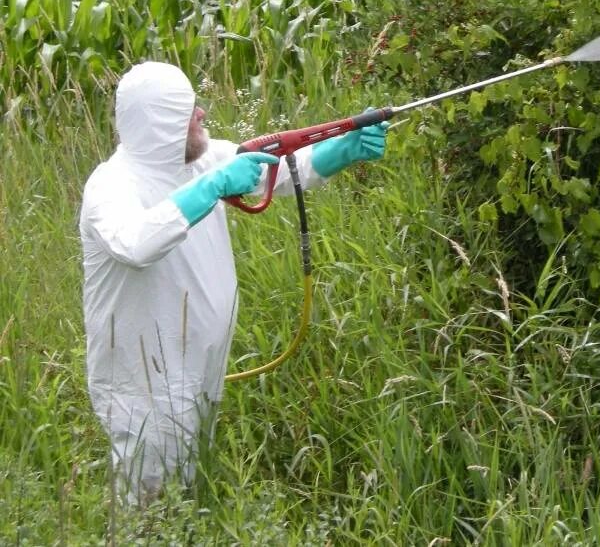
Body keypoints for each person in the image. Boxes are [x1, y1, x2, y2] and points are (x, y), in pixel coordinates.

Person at [79, 60, 388, 505]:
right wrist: (212, 187)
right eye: (188, 109)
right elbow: (135, 243)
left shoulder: (202, 158)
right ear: (161, 122)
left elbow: (274, 169)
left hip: (199, 367)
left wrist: (344, 149)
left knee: (189, 491)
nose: (202, 113)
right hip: (142, 383)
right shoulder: (111, 187)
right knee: (148, 506)